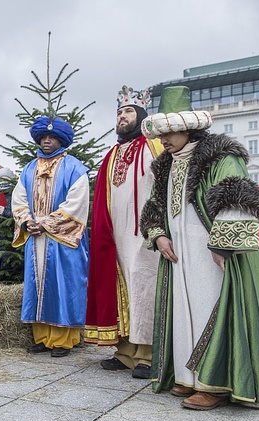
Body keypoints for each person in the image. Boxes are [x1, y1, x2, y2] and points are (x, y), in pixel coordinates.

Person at [140, 85, 259, 410]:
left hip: (210, 249)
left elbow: (238, 197)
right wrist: (158, 234)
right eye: (160, 132)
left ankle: (215, 383)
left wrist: (222, 244)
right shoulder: (164, 165)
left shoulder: (221, 156)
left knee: (211, 306)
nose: (162, 139)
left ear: (188, 126)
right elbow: (154, 205)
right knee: (182, 310)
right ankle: (187, 376)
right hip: (177, 252)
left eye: (169, 131)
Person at [84, 86, 163, 379]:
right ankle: (126, 351)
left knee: (144, 289)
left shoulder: (154, 146)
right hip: (115, 235)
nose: (122, 117)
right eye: (119, 113)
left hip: (145, 233)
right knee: (121, 290)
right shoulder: (112, 154)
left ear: (141, 115)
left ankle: (148, 353)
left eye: (128, 111)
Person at [11, 116, 90, 357]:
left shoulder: (75, 168)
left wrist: (45, 223)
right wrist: (26, 221)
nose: (47, 141)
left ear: (61, 140)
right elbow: (18, 199)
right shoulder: (29, 168)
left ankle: (63, 340)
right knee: (37, 286)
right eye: (44, 137)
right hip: (36, 240)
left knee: (64, 286)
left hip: (63, 240)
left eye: (52, 137)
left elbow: (76, 204)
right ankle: (42, 338)